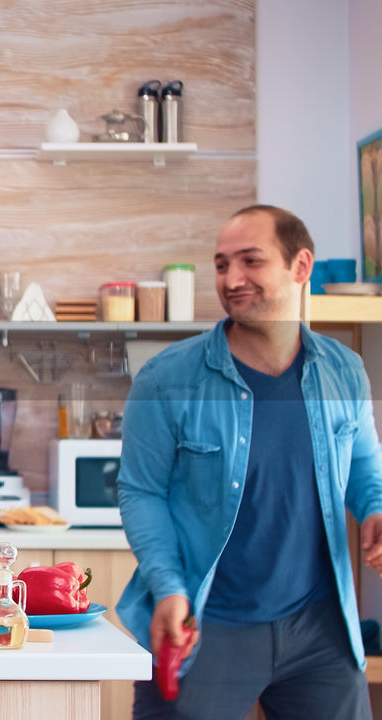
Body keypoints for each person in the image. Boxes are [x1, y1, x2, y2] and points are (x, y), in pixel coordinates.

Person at [117, 204, 382, 719]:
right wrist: (168, 587)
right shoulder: (167, 379)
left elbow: (365, 468)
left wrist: (375, 510)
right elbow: (140, 491)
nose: (232, 279)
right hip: (202, 622)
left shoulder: (344, 371)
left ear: (300, 266)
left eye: (250, 261)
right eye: (221, 265)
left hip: (319, 627)